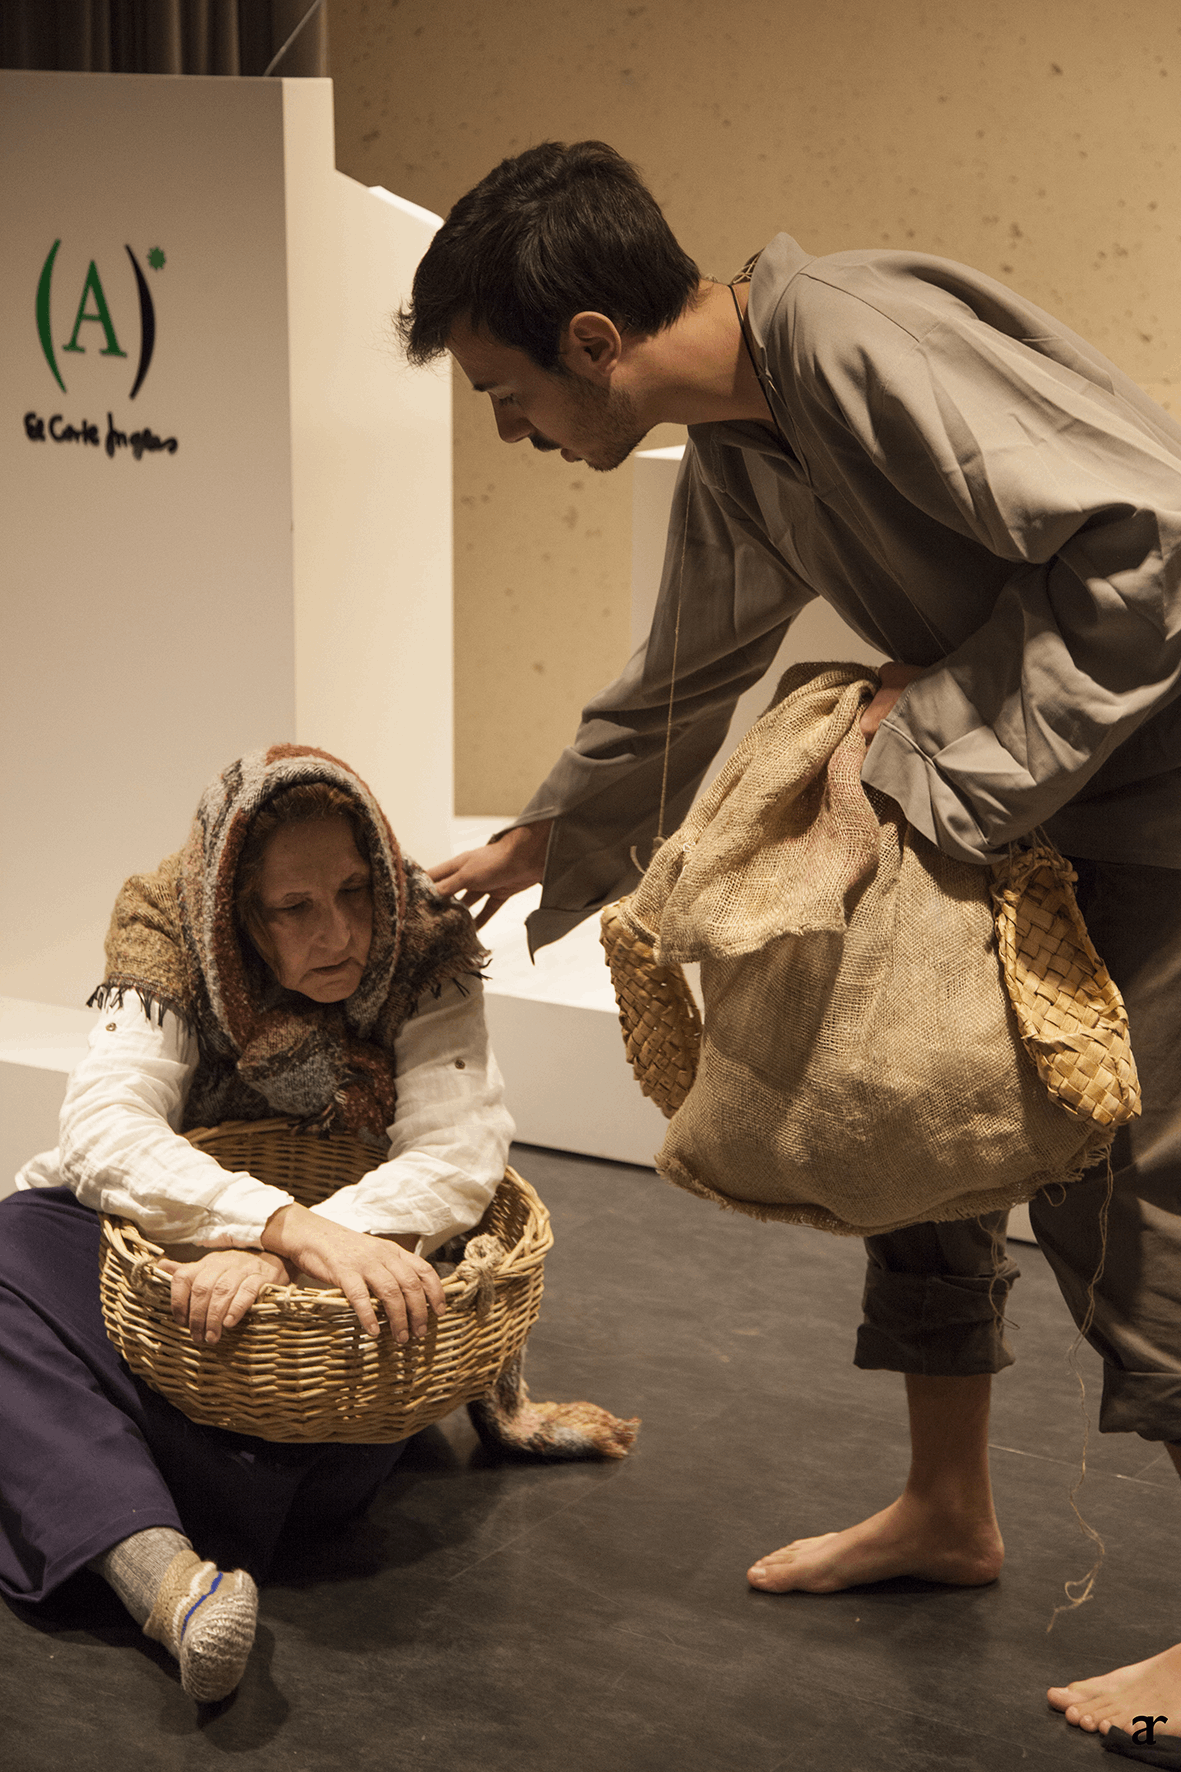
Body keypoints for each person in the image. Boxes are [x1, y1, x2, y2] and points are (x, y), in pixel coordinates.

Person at [400, 141, 1181, 1758]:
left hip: (1151, 811)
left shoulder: (853, 342)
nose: (511, 433)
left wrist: (930, 744)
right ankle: (947, 1509)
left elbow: (1146, 541)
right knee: (910, 1113)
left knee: (1138, 1200)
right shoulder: (742, 440)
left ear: (594, 342)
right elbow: (684, 669)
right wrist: (544, 834)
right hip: (1023, 808)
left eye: (506, 393)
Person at [0, 743, 515, 1704]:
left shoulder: (420, 933)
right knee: (16, 1242)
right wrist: (276, 1228)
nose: (341, 932)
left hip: (320, 1345)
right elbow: (106, 1126)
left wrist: (295, 1257)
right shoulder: (170, 920)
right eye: (295, 908)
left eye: (354, 892)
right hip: (190, 1274)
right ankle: (168, 1583)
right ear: (237, 911)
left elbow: (456, 1147)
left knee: (33, 1378)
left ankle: (115, 1484)